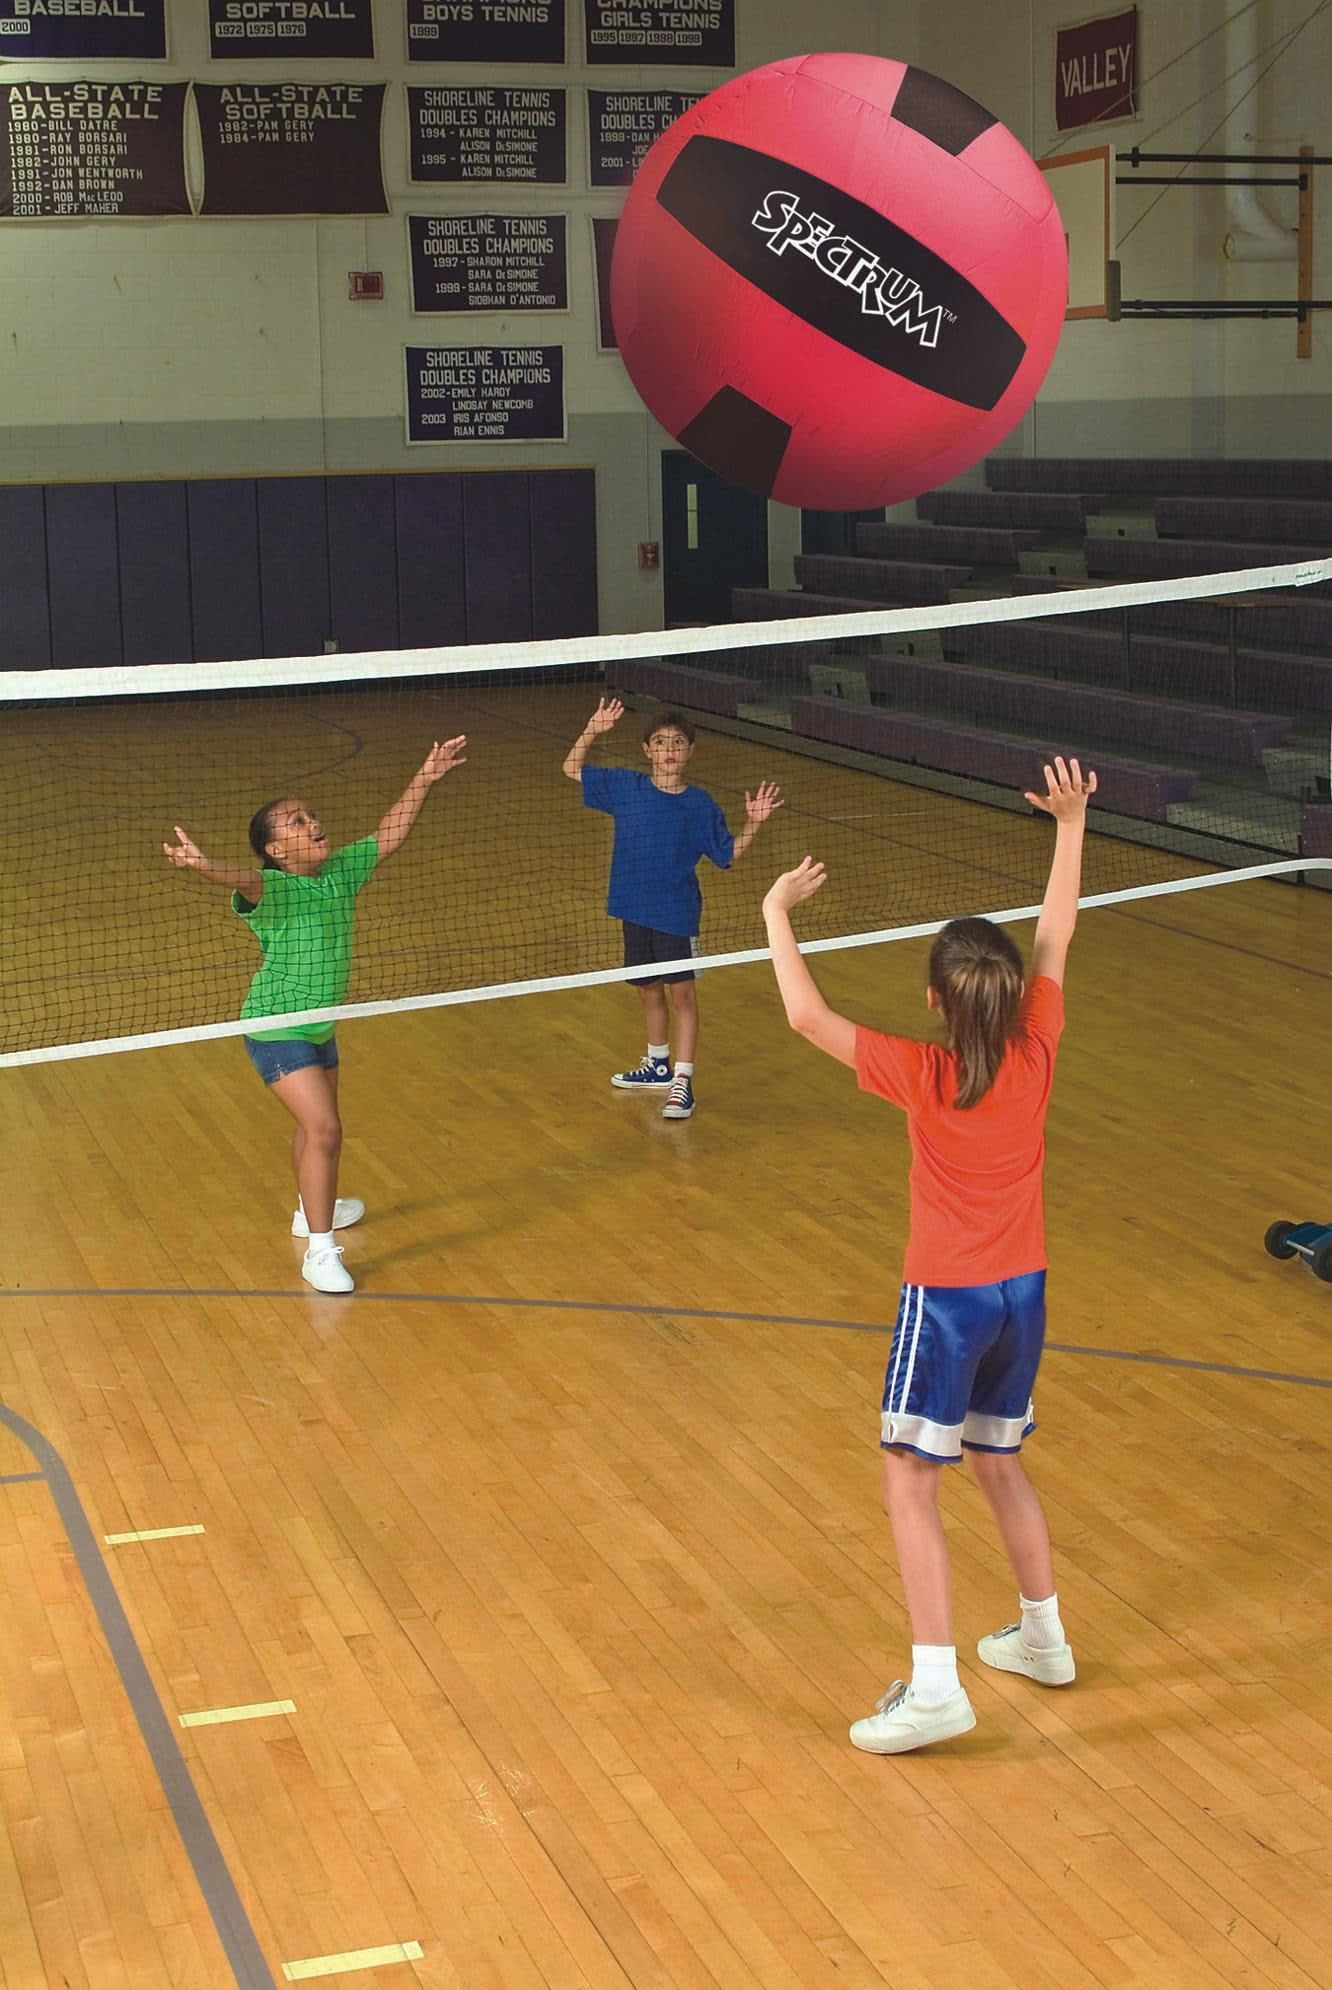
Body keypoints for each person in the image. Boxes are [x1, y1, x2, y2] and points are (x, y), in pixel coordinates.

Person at [761, 756, 1096, 1755]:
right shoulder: (1037, 1044)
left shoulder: (924, 1071)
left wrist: (776, 910)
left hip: (945, 1301)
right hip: (1022, 1293)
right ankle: (1043, 1637)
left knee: (911, 1478)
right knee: (999, 1460)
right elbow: (1057, 931)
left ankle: (939, 1683)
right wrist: (1071, 826)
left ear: (937, 1001)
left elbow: (804, 1016)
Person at [162, 738, 467, 1293]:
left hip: (320, 1027)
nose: (312, 823)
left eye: (311, 816)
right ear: (277, 850)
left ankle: (310, 1210)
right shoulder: (273, 889)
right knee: (324, 1127)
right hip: (276, 1028)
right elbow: (243, 879)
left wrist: (425, 776)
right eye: (296, 823)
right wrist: (204, 865)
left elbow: (388, 834)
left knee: (318, 1130)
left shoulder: (340, 873)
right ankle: (321, 1253)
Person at [564, 698, 782, 1120]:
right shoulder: (626, 788)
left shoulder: (699, 805)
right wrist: (592, 728)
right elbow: (571, 768)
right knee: (647, 989)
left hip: (676, 914)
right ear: (647, 749)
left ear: (690, 751)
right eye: (661, 741)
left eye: (679, 742)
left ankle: (682, 1080)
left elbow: (727, 856)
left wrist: (753, 822)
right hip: (632, 908)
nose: (669, 749)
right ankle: (657, 1064)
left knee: (682, 994)